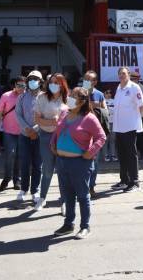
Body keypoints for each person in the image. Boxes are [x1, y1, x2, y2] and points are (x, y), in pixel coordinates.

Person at [50, 86, 106, 239]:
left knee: (82, 195)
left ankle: (85, 226)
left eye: (74, 96)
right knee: (67, 195)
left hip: (80, 163)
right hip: (62, 161)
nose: (70, 98)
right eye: (70, 95)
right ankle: (68, 224)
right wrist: (53, 144)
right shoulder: (64, 113)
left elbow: (101, 137)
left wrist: (91, 152)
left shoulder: (89, 118)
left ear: (82, 101)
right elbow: (57, 130)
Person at [34, 72, 69, 211]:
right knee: (47, 170)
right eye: (51, 82)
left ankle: (65, 200)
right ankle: (42, 198)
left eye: (56, 82)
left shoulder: (68, 98)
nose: (53, 85)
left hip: (63, 137)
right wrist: (52, 121)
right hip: (45, 136)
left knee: (62, 170)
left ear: (62, 84)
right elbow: (37, 119)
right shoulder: (42, 97)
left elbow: (75, 117)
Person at [111, 66, 143, 192]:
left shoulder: (134, 87)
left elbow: (142, 106)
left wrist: (137, 121)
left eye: (124, 73)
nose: (121, 76)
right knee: (122, 155)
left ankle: (135, 182)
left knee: (131, 155)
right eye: (120, 74)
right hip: (119, 127)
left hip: (130, 127)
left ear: (129, 75)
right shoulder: (119, 88)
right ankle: (124, 180)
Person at [15, 70, 43, 203]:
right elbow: (18, 115)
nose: (33, 81)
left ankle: (35, 190)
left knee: (38, 164)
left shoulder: (44, 97)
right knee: (25, 163)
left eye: (35, 79)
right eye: (30, 79)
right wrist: (27, 129)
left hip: (39, 135)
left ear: (40, 82)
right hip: (24, 135)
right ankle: (24, 189)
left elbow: (46, 116)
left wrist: (35, 130)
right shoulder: (21, 97)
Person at [0, 77, 24, 191]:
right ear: (14, 85)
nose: (21, 88)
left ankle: (17, 180)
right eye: (19, 85)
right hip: (8, 131)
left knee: (19, 157)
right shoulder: (6, 96)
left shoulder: (28, 96)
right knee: (10, 155)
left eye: (23, 85)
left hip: (23, 132)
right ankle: (7, 178)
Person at [83, 71, 109, 196]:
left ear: (95, 82)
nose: (89, 82)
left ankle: (91, 187)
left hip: (95, 133)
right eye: (86, 79)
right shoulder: (77, 93)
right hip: (80, 134)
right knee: (81, 161)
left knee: (95, 161)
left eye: (91, 79)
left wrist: (96, 108)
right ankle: (81, 186)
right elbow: (70, 110)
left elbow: (105, 112)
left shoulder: (100, 95)